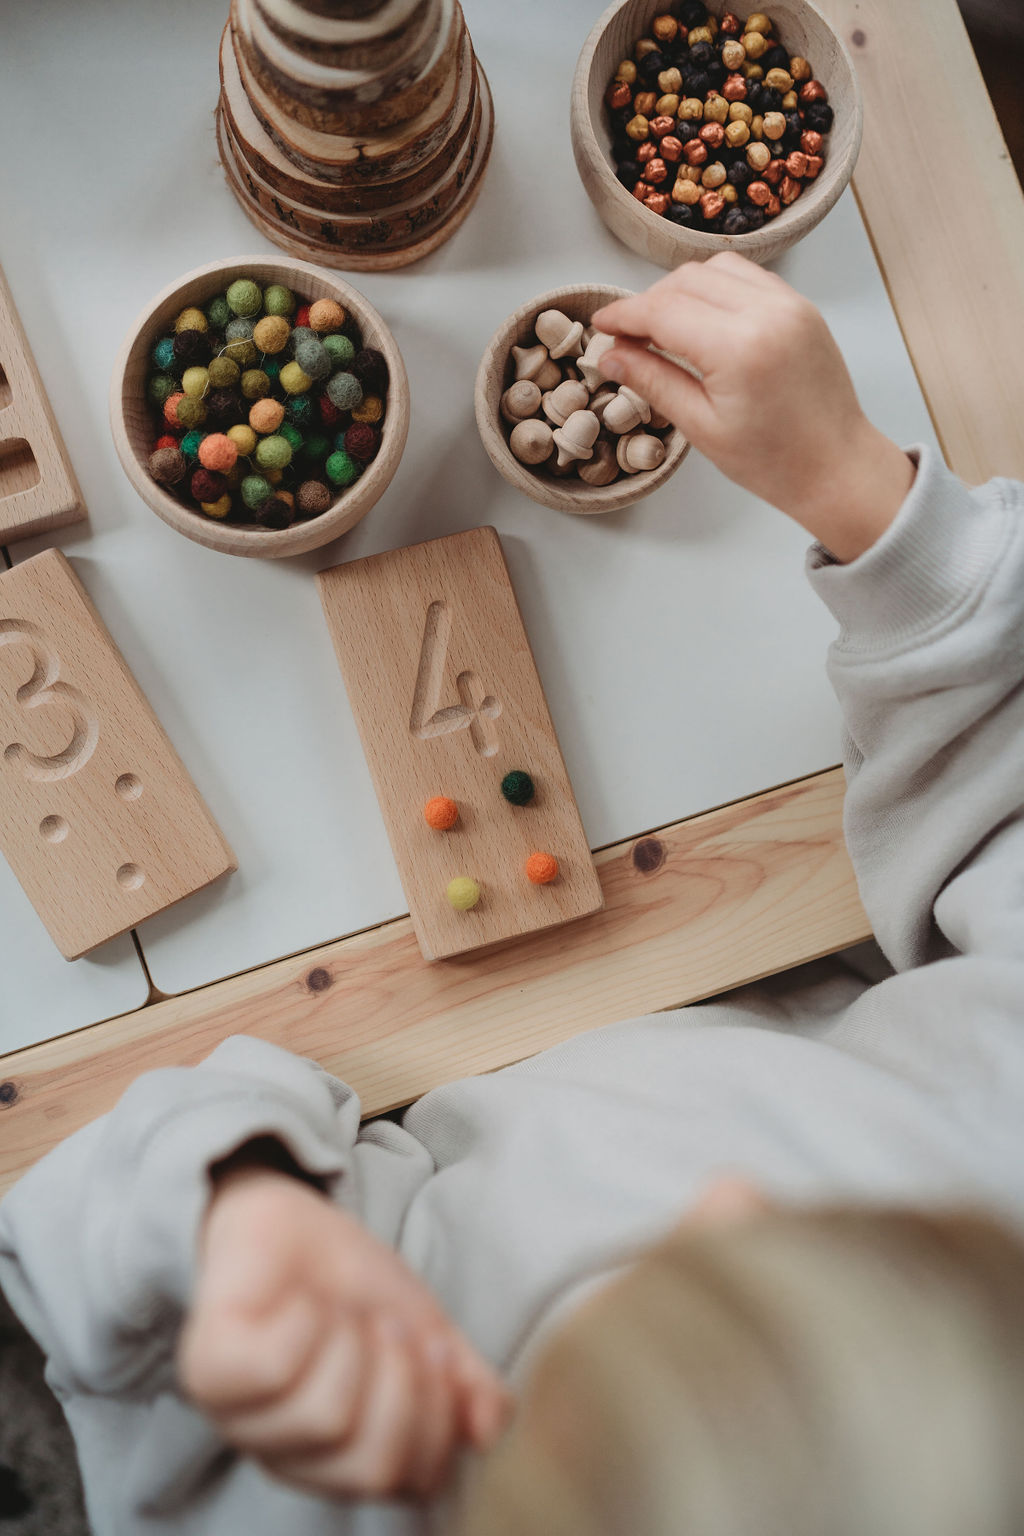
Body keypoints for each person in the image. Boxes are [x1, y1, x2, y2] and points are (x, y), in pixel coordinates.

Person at [2, 252, 1024, 1535]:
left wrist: (226, 1214)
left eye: (692, 1287)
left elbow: (55, 1230)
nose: (725, 1192)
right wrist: (867, 501)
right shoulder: (992, 1166)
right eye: (847, 1246)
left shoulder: (315, 1464)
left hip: (364, 1067)